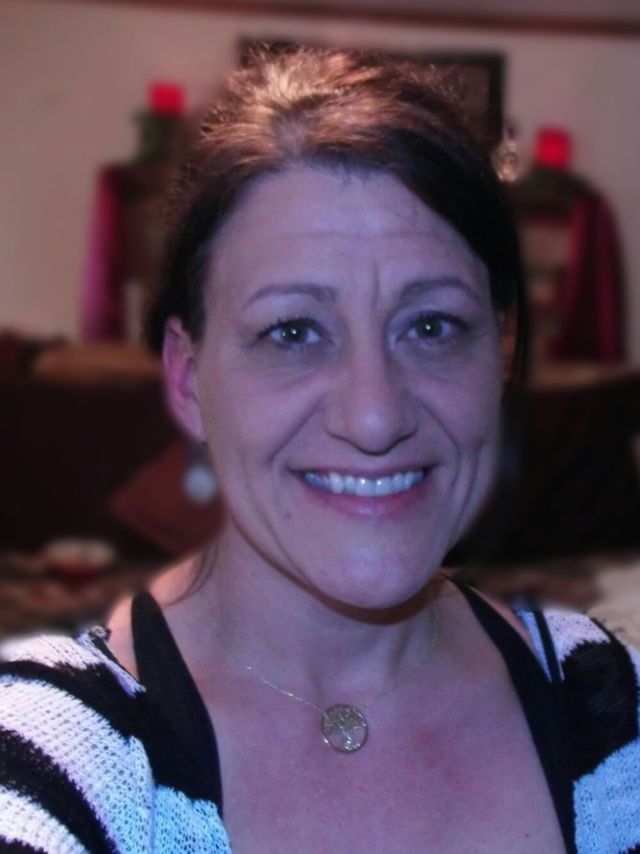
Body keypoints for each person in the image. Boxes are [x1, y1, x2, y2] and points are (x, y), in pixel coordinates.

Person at [1, 46, 639, 854]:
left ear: (500, 359)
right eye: (294, 331)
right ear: (189, 378)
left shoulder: (607, 706)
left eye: (432, 326)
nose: (374, 418)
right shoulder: (55, 757)